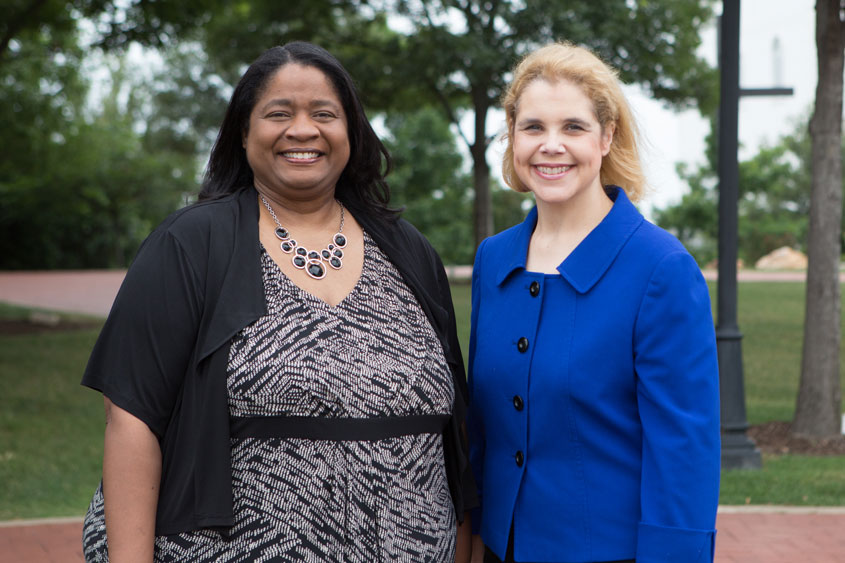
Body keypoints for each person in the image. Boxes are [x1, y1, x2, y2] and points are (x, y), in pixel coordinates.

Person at [81, 41, 475, 562]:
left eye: (324, 114)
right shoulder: (191, 244)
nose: (303, 129)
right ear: (244, 134)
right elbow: (130, 418)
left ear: (350, 133)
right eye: (278, 113)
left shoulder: (409, 250)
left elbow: (456, 430)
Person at [466, 43, 720, 563]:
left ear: (606, 137)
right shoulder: (494, 260)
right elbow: (482, 426)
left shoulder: (661, 269)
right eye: (533, 127)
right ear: (512, 136)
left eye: (573, 128)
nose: (550, 145)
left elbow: (683, 456)